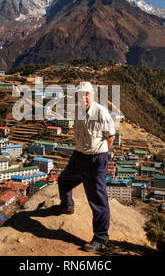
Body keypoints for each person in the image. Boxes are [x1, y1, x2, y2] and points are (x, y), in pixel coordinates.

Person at [50, 81, 116, 252]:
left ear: (92, 95)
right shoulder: (76, 111)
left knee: (97, 199)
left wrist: (99, 152)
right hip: (79, 156)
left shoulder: (101, 113)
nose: (83, 97)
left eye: (86, 94)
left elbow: (111, 138)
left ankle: (101, 238)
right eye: (80, 94)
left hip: (95, 160)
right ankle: (67, 205)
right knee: (64, 180)